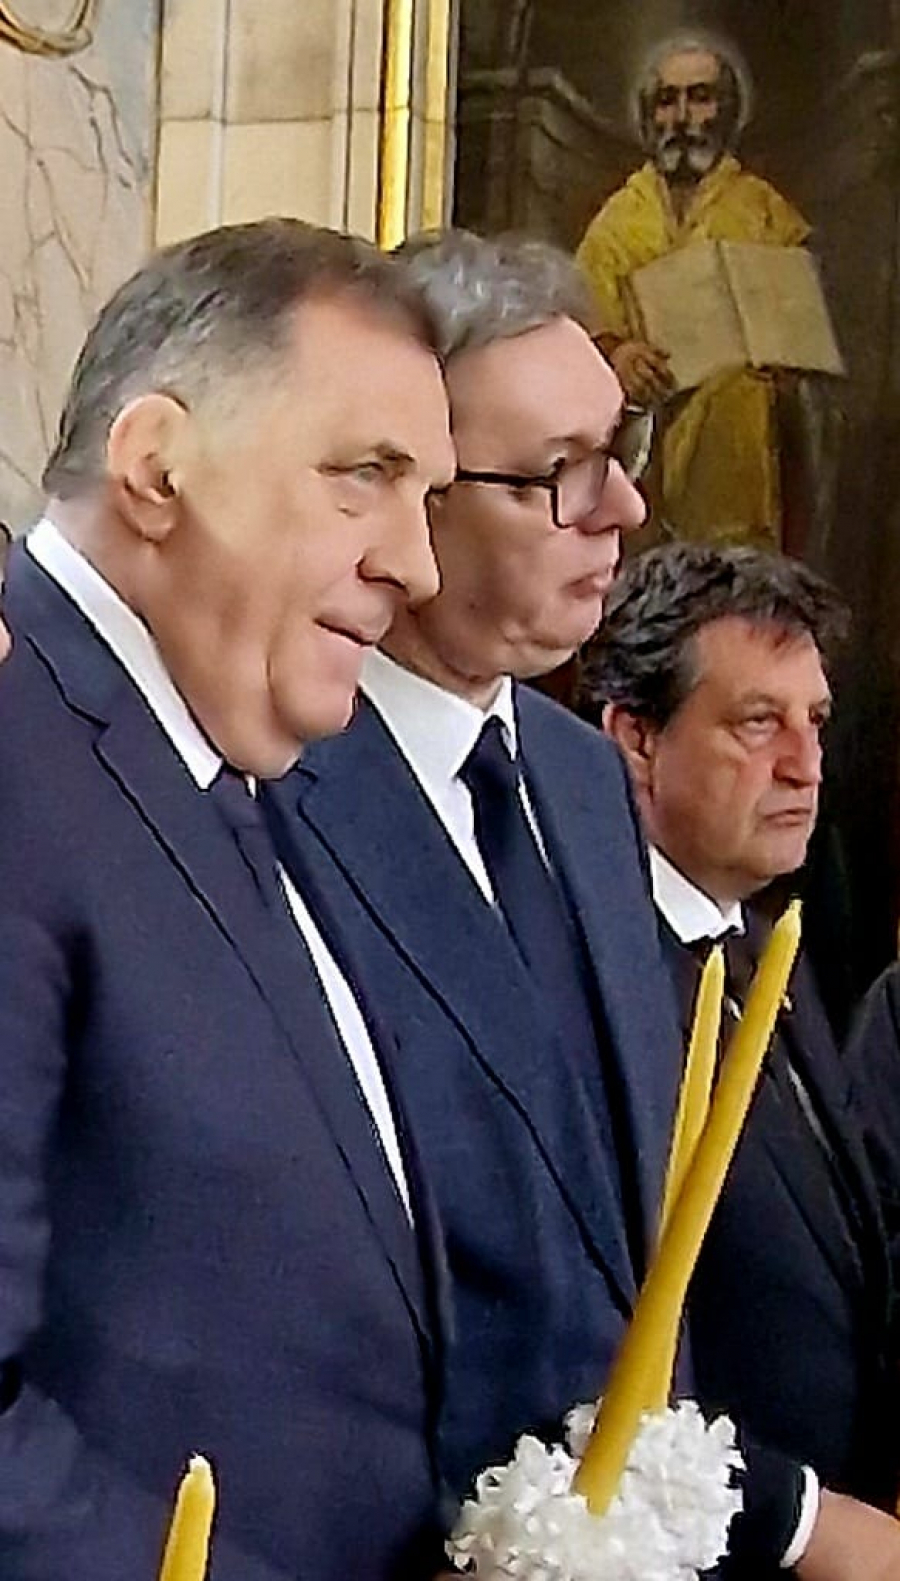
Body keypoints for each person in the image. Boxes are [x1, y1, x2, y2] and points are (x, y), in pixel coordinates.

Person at [0, 218, 457, 1581]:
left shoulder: (225, 758)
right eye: (365, 475)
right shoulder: (15, 748)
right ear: (158, 466)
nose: (418, 565)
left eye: (428, 495)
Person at [263, 226, 689, 1538]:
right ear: (413, 493)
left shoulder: (581, 779)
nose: (621, 510)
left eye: (621, 450)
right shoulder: (271, 778)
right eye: (560, 472)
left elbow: (628, 1231)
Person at [587, 543, 900, 1578]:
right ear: (636, 738)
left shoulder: (774, 954)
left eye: (816, 722)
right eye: (759, 723)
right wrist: (801, 1519)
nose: (806, 765)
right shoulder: (598, 980)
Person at [576, 32, 815, 552]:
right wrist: (619, 355)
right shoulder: (618, 219)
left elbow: (799, 339)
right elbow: (584, 326)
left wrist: (776, 360)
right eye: (668, 101)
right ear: (650, 116)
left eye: (700, 98)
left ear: (726, 111)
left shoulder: (763, 210)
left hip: (737, 439)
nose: (683, 118)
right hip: (645, 430)